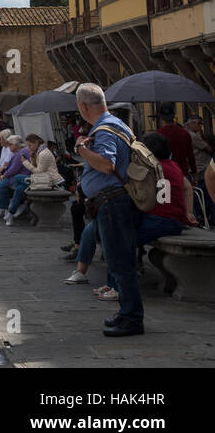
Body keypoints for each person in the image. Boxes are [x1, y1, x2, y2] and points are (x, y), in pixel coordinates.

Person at [75, 82, 143, 337]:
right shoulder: (115, 125)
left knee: (120, 263)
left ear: (83, 106)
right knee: (118, 261)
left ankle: (133, 319)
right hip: (114, 201)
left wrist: (81, 148)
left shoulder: (104, 130)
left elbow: (106, 164)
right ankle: (126, 314)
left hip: (113, 202)